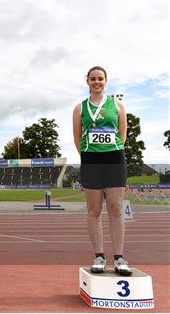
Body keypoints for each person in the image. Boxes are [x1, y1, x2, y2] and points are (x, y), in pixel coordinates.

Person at [72, 66, 131, 276]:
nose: (97, 82)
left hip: (115, 159)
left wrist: (108, 150)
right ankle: (99, 256)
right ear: (87, 81)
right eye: (93, 79)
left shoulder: (117, 105)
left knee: (115, 208)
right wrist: (89, 155)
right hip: (90, 160)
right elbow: (78, 138)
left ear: (106, 81)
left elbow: (122, 136)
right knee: (94, 210)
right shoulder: (79, 108)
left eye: (100, 79)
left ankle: (119, 258)